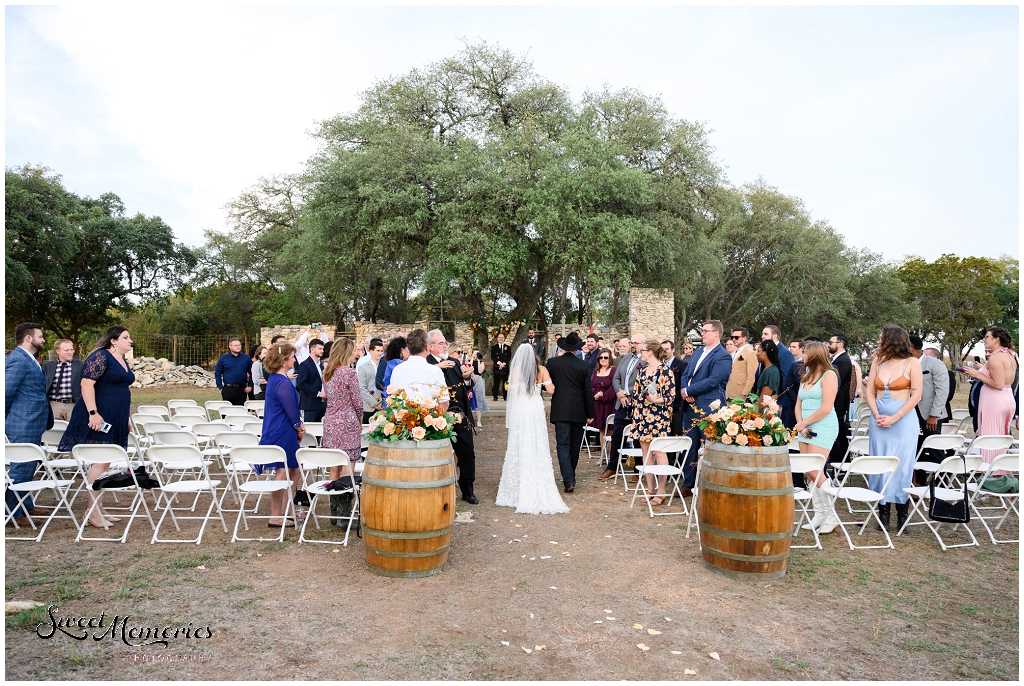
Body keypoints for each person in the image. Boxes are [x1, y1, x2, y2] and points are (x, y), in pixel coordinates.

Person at [57, 326, 136, 529]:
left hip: (116, 417)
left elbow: (119, 391)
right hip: (98, 416)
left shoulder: (121, 359)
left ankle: (98, 507)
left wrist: (125, 417)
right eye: (125, 337)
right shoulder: (101, 356)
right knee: (100, 463)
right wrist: (93, 413)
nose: (130, 341)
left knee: (106, 462)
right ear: (113, 340)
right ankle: (91, 512)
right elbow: (86, 384)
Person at [496, 344, 569, 514]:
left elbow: (511, 394)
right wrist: (544, 383)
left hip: (521, 408)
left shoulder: (514, 371)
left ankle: (519, 483)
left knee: (520, 441)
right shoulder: (541, 369)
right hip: (535, 407)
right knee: (537, 441)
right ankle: (537, 478)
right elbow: (551, 390)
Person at [864, 325, 923, 531]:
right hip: (878, 419)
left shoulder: (912, 362)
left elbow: (916, 395)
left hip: (903, 420)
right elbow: (870, 392)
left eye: (881, 338)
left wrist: (894, 418)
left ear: (892, 340)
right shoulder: (878, 361)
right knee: (879, 462)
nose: (878, 342)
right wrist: (877, 414)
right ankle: (883, 512)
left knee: (902, 464)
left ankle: (902, 512)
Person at [5, 322, 54, 527]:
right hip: (22, 422)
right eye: (40, 336)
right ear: (28, 338)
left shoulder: (30, 359)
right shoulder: (17, 360)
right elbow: (6, 392)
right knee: (20, 468)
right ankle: (11, 514)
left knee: (28, 467)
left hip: (32, 421)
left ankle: (26, 505)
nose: (43, 340)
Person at [678, 321, 733, 493]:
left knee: (709, 446)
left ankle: (708, 484)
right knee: (690, 444)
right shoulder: (699, 351)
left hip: (710, 407)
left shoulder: (723, 355)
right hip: (690, 406)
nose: (702, 334)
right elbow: (686, 373)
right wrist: (684, 391)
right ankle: (688, 482)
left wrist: (689, 389)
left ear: (716, 333)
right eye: (702, 331)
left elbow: (713, 381)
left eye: (705, 331)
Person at [793, 342, 841, 534]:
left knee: (815, 470)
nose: (802, 356)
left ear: (813, 355)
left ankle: (831, 515)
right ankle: (819, 513)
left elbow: (826, 408)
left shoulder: (829, 375)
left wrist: (805, 423)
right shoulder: (806, 376)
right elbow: (798, 403)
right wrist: (800, 423)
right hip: (804, 427)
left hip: (823, 425)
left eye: (805, 353)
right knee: (808, 471)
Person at [255, 342, 304, 528]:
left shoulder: (276, 379)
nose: (294, 360)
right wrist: (299, 427)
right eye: (292, 357)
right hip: (282, 430)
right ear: (284, 360)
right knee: (283, 471)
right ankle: (276, 515)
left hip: (282, 428)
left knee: (294, 469)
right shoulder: (282, 382)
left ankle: (287, 510)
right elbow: (291, 410)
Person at [426, 330, 477, 503]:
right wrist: (435, 368)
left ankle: (467, 490)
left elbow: (466, 386)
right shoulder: (425, 364)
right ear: (430, 346)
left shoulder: (455, 362)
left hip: (461, 416)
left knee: (467, 453)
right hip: (436, 418)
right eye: (440, 343)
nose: (444, 346)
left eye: (445, 343)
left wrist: (466, 377)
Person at [961, 327, 1018, 472]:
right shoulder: (1010, 355)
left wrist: (977, 374)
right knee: (1001, 439)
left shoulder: (996, 358)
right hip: (1007, 397)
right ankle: (1005, 476)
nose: (983, 340)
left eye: (987, 337)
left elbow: (998, 385)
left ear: (996, 339)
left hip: (995, 400)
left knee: (990, 440)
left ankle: (993, 478)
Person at [545, 332, 596, 493]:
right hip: (578, 410)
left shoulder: (553, 363)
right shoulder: (582, 365)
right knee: (574, 445)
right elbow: (588, 391)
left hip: (560, 409)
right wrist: (590, 413)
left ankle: (569, 478)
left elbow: (546, 384)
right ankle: (570, 477)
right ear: (576, 349)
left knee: (563, 444)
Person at [632, 342, 675, 505]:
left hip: (658, 416)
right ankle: (650, 489)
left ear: (649, 352)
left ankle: (661, 490)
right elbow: (636, 393)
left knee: (659, 451)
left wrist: (657, 399)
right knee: (645, 451)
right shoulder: (642, 371)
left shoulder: (666, 371)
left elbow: (671, 397)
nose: (640, 353)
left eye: (642, 350)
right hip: (641, 415)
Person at [600, 333, 646, 481]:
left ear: (643, 344)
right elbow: (616, 378)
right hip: (622, 403)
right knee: (617, 436)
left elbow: (644, 383)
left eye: (636, 343)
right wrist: (620, 394)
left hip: (637, 404)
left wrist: (626, 392)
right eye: (632, 342)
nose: (633, 345)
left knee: (638, 438)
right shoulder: (624, 358)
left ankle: (638, 470)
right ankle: (612, 467)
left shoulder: (645, 361)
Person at [909, 335, 950, 486]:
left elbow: (942, 391)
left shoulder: (935, 364)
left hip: (930, 413)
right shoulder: (905, 364)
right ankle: (919, 482)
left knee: (934, 448)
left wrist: (934, 415)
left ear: (912, 348)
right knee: (916, 448)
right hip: (911, 413)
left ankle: (942, 481)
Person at [322, 338, 363, 481]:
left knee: (334, 466)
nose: (355, 354)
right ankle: (345, 499)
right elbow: (357, 402)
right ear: (346, 353)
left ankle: (334, 501)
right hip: (348, 422)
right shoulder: (349, 373)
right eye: (353, 351)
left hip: (330, 421)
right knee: (348, 464)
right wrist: (360, 419)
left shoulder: (326, 372)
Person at [389, 329, 449, 407]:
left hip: (402, 416)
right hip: (429, 416)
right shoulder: (435, 371)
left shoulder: (397, 370)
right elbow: (444, 402)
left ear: (409, 348)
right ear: (427, 347)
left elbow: (393, 399)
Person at [827, 334, 855, 466]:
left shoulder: (843, 360)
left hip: (838, 403)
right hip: (836, 403)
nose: (828, 344)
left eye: (831, 342)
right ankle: (840, 463)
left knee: (837, 435)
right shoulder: (835, 359)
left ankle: (839, 463)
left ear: (840, 344)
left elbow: (836, 383)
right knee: (838, 434)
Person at [43, 339, 85, 423]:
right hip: (54, 405)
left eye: (71, 349)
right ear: (58, 351)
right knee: (54, 431)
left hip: (73, 404)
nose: (70, 352)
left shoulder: (81, 365)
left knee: (73, 431)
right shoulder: (48, 365)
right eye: (66, 350)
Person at [590, 348, 617, 451]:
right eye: (601, 357)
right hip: (598, 404)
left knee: (610, 429)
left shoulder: (614, 370)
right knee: (601, 429)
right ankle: (603, 455)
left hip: (609, 404)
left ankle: (611, 456)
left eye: (606, 357)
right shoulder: (596, 371)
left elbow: (614, 386)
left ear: (610, 359)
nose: (603, 359)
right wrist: (595, 394)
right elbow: (590, 385)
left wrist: (603, 396)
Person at [296, 338, 327, 422]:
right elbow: (301, 384)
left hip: (322, 402)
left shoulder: (320, 365)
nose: (322, 351)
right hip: (310, 403)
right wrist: (318, 393)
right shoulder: (304, 364)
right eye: (320, 349)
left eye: (322, 349)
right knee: (310, 430)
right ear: (312, 349)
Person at [215, 338, 252, 406]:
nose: (238, 347)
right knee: (227, 411)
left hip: (242, 389)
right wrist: (220, 387)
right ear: (230, 347)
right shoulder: (223, 358)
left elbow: (252, 373)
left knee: (240, 411)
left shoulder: (246, 358)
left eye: (239, 345)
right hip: (228, 388)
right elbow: (217, 374)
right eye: (235, 345)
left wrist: (250, 386)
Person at [726, 328, 758, 399]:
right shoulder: (733, 353)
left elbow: (751, 377)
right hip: (728, 392)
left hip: (740, 394)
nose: (734, 339)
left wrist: (744, 394)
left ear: (744, 338)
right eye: (732, 337)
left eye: (736, 337)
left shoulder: (750, 354)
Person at [357, 338, 383, 423]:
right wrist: (374, 403)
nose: (380, 353)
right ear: (371, 351)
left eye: (381, 351)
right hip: (368, 407)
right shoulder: (363, 367)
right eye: (378, 350)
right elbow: (361, 388)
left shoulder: (384, 367)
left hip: (383, 406)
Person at [780, 339, 805, 428]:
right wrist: (795, 399)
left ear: (801, 349)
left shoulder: (801, 364)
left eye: (794, 347)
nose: (791, 348)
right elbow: (788, 384)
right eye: (790, 346)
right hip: (793, 401)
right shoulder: (792, 363)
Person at [470, 350, 489, 427]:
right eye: (475, 353)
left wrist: (478, 360)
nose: (476, 355)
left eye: (478, 353)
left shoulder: (481, 362)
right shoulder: (469, 361)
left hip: (478, 380)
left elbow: (480, 371)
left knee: (479, 399)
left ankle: (479, 420)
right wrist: (472, 358)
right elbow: (469, 367)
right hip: (470, 379)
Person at [490, 333, 512, 401]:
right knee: (496, 382)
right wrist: (499, 363)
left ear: (504, 338)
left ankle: (505, 396)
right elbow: (493, 357)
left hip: (505, 367)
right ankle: (495, 396)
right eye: (499, 337)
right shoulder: (494, 347)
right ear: (497, 338)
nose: (501, 339)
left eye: (502, 337)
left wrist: (504, 364)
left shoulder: (508, 347)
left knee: (505, 382)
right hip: (497, 367)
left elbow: (509, 357)